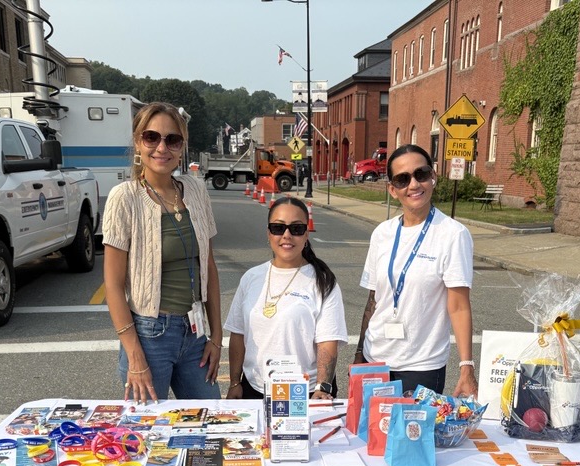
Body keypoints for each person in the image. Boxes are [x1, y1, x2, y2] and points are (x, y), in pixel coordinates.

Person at [102, 102, 223, 404]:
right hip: (150, 335)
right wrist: (134, 355)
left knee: (210, 424)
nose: (161, 147)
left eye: (172, 139)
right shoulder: (125, 198)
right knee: (147, 434)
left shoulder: (194, 191)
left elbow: (209, 269)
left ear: (182, 146)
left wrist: (216, 339)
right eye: (151, 137)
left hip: (194, 332)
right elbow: (114, 287)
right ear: (137, 143)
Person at [354, 143, 478, 398]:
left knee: (410, 438)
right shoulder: (382, 234)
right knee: (370, 437)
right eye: (402, 179)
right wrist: (359, 355)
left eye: (420, 174)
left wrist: (466, 368)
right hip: (374, 360)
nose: (413, 185)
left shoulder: (453, 235)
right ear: (392, 189)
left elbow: (459, 306)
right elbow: (374, 301)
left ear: (433, 177)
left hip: (421, 366)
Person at [224, 196, 347, 400]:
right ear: (268, 233)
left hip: (304, 392)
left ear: (306, 234)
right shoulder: (251, 277)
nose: (287, 235)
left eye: (296, 229)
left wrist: (323, 387)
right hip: (255, 388)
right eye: (278, 228)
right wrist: (235, 382)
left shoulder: (323, 281)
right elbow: (238, 334)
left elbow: (328, 341)